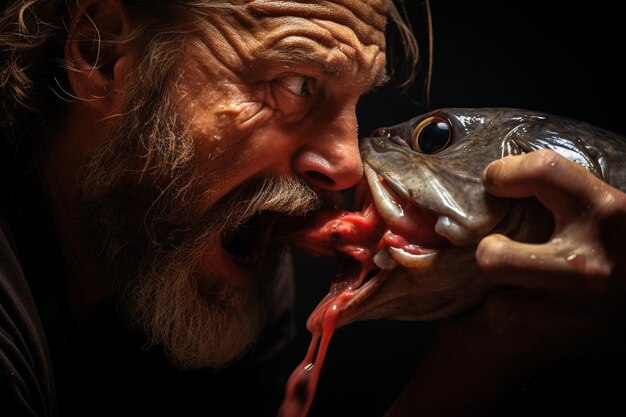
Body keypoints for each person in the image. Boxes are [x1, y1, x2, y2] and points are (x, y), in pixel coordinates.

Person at [1, 2, 624, 417]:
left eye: (355, 104)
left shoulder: (211, 247)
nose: (349, 165)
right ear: (104, 52)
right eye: (297, 85)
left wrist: (488, 347)